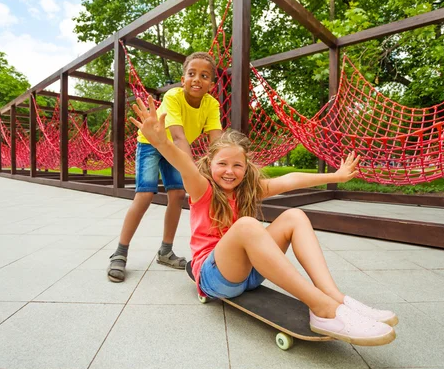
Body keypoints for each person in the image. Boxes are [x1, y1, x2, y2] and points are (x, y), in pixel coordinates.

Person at [129, 95, 398, 346]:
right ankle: (323, 309)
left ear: (246, 169)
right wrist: (161, 142)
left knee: (294, 216)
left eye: (238, 165)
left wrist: (335, 177)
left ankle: (333, 296)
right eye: (222, 164)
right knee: (246, 225)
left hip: (251, 274)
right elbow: (183, 162)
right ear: (210, 163)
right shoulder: (202, 188)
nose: (230, 171)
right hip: (216, 278)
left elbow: (291, 180)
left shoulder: (249, 188)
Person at [107, 52, 222, 282]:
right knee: (145, 194)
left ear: (212, 84)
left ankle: (165, 251)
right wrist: (195, 174)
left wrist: (219, 171)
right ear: (183, 79)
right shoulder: (173, 96)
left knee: (178, 194)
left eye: (204, 75)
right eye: (192, 74)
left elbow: (216, 142)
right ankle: (119, 252)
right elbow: (179, 137)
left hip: (172, 149)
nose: (197, 79)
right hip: (151, 143)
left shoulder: (211, 104)